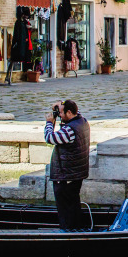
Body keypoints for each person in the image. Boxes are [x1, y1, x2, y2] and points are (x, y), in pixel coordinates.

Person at [44, 99, 90, 231]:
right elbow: (74, 111)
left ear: (69, 112)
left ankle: (68, 230)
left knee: (65, 208)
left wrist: (49, 123)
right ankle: (75, 228)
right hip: (76, 174)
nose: (60, 115)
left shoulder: (69, 130)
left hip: (65, 175)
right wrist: (60, 106)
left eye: (62, 113)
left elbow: (50, 138)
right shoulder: (83, 121)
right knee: (73, 203)